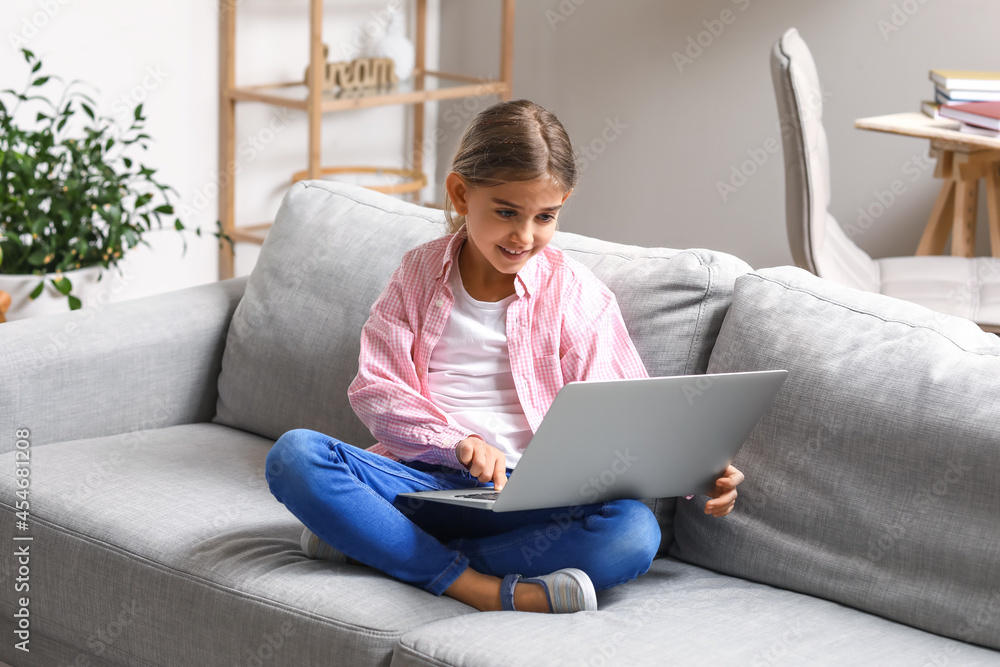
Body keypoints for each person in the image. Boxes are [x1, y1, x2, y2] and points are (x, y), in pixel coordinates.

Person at [265, 99, 744, 614]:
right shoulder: (417, 274)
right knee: (296, 456)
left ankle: (383, 547)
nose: (524, 236)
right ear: (460, 193)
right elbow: (377, 389)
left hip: (530, 503)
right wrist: (457, 442)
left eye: (545, 217)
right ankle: (480, 588)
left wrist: (697, 470)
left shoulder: (576, 294)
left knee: (632, 532)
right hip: (422, 486)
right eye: (506, 212)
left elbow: (630, 416)